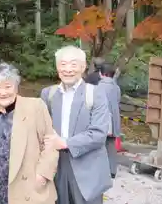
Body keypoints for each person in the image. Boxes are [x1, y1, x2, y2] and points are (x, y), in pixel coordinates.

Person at [0, 62, 59, 204]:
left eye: (8, 87)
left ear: (16, 87)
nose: (3, 92)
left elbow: (50, 142)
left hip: (29, 188)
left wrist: (42, 175)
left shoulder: (35, 107)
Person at [41, 45, 112, 204]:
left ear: (83, 66)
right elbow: (41, 128)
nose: (68, 69)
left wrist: (65, 143)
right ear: (57, 67)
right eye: (63, 64)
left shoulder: (95, 93)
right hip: (56, 166)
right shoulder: (48, 94)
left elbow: (99, 133)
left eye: (73, 64)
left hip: (87, 166)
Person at [98, 63, 122, 179]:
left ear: (101, 74)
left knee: (99, 145)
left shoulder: (98, 87)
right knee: (111, 145)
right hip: (114, 121)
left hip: (101, 120)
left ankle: (100, 170)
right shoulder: (116, 88)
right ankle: (112, 170)